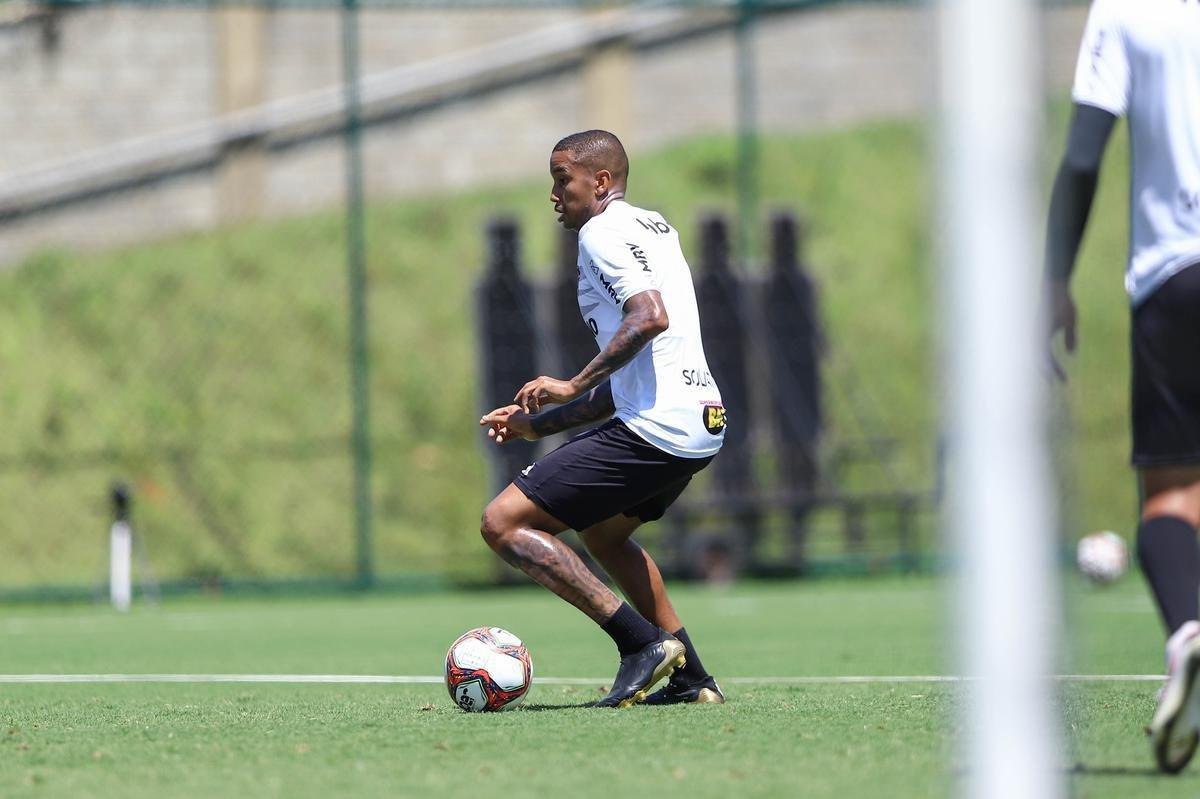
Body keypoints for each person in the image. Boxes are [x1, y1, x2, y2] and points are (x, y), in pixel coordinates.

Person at [478, 129, 727, 707]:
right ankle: (693, 680)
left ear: (602, 181)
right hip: (701, 421)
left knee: (503, 523)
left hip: (660, 428)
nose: (554, 192)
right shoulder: (652, 226)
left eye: (562, 178)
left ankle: (642, 645)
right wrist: (536, 424)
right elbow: (633, 375)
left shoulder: (602, 232)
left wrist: (569, 383)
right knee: (606, 534)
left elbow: (648, 319)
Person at [1046, 0, 1200, 773]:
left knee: (1174, 495)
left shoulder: (1125, 11)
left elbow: (1081, 158)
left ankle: (1187, 636)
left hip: (1175, 277)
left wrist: (1054, 277)